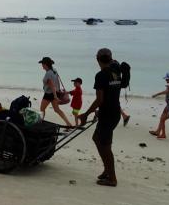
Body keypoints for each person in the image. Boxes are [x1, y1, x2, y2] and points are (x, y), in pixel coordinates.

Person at [78, 48, 122, 187]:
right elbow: (111, 94)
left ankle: (112, 178)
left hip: (108, 114)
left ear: (97, 59)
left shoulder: (101, 75)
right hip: (114, 112)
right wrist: (98, 111)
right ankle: (107, 170)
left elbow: (100, 99)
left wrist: (86, 114)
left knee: (105, 146)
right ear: (110, 58)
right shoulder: (116, 72)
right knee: (97, 138)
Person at [38, 56, 73, 127]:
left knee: (42, 109)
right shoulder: (54, 70)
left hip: (49, 94)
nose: (42, 66)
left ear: (45, 64)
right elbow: (57, 82)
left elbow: (52, 85)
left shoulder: (48, 74)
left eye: (42, 64)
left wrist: (55, 96)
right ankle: (68, 123)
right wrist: (58, 91)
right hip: (55, 92)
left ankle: (40, 123)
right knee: (57, 109)